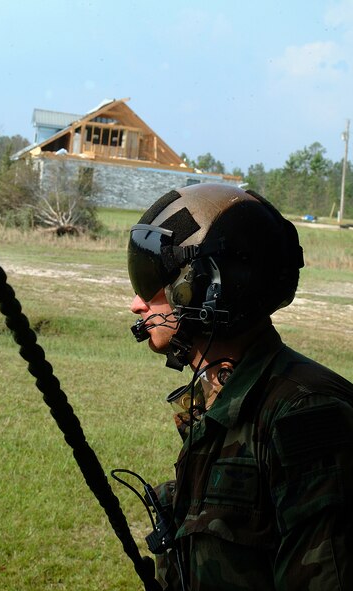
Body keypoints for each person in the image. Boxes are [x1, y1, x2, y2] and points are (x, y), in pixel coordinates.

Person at [127, 183, 353, 591]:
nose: (137, 303)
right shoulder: (222, 396)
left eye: (149, 281)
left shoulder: (307, 418)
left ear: (208, 287)